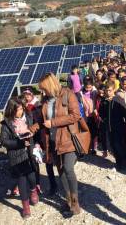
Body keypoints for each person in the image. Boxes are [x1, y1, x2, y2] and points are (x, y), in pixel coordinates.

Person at [38, 73, 84, 215]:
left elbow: (75, 115)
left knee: (68, 168)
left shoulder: (68, 94)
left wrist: (53, 122)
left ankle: (75, 204)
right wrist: (31, 129)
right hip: (53, 140)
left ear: (50, 85)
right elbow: (42, 121)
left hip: (68, 138)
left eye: (44, 88)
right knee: (61, 171)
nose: (42, 92)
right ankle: (68, 200)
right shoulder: (45, 100)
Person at [0, 99, 40, 218]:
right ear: (12, 110)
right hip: (16, 156)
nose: (21, 111)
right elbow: (4, 141)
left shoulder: (28, 117)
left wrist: (37, 144)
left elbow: (36, 133)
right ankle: (25, 207)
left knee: (32, 177)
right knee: (21, 181)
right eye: (19, 109)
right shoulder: (6, 124)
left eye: (22, 108)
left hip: (30, 154)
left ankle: (33, 190)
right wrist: (19, 144)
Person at [98, 84, 126, 170]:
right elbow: (101, 113)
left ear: (114, 90)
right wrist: (104, 119)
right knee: (113, 145)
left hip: (119, 127)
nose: (108, 92)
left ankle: (123, 162)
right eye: (106, 91)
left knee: (119, 145)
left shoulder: (118, 99)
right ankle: (118, 162)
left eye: (110, 90)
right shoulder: (104, 101)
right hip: (109, 127)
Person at [81, 80, 99, 155]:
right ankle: (87, 147)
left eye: (90, 87)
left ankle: (94, 148)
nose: (88, 89)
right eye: (87, 87)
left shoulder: (94, 92)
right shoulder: (81, 93)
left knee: (94, 132)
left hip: (93, 115)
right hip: (85, 116)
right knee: (87, 132)